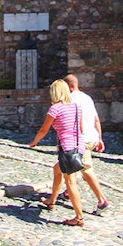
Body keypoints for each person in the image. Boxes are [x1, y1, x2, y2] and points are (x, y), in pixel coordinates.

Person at [28, 79, 85, 226]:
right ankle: (51, 200)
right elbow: (81, 127)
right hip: (78, 146)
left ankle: (79, 217)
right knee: (57, 169)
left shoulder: (55, 109)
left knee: (70, 182)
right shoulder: (77, 106)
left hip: (67, 149)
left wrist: (35, 142)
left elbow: (44, 129)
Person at [64, 74, 110, 214]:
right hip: (92, 137)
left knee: (87, 169)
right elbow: (96, 119)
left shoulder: (70, 99)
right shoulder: (87, 98)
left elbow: (71, 121)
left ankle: (102, 200)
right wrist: (100, 138)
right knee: (67, 166)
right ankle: (67, 192)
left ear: (70, 87)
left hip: (81, 139)